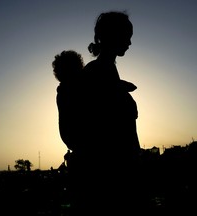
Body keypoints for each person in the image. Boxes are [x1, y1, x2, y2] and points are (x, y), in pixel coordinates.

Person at [66, 11, 142, 216]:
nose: (130, 43)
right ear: (113, 35)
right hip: (109, 177)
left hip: (114, 172)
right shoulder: (98, 71)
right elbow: (103, 127)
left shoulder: (104, 71)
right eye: (127, 36)